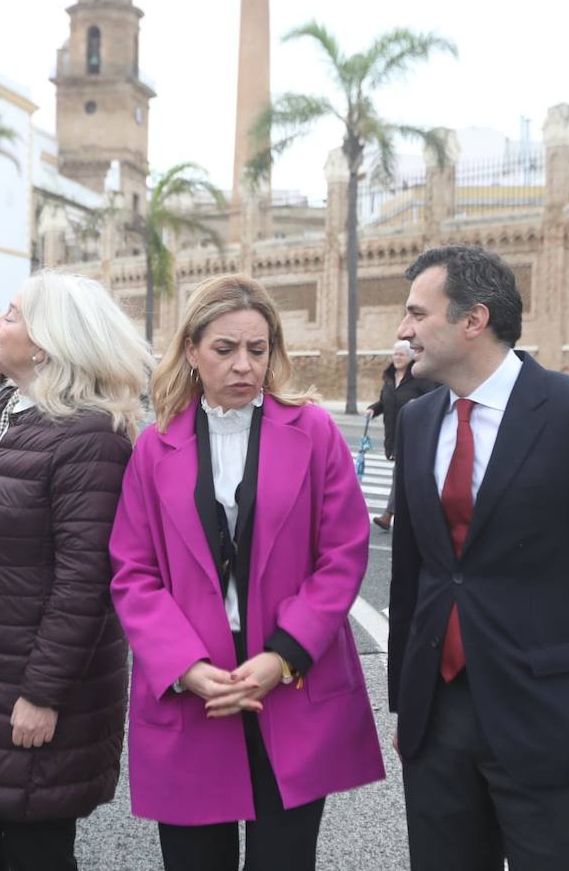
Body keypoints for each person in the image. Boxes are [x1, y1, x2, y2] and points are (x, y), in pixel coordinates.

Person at [387, 245, 569, 870]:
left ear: (473, 320)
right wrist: (406, 703)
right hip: (439, 718)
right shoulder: (416, 420)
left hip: (555, 717)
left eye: (417, 312)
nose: (403, 329)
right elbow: (413, 572)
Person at [109, 274, 384, 871]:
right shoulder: (154, 449)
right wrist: (185, 666)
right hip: (194, 690)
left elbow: (343, 554)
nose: (244, 365)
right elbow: (133, 572)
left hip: (288, 681)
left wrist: (282, 655)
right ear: (191, 352)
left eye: (256, 350)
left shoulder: (314, 433)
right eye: (225, 349)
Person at [0, 271, 150, 871]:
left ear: (46, 342)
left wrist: (43, 695)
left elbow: (85, 580)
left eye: (12, 315)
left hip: (35, 686)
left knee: (32, 850)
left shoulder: (91, 436)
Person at [367, 339, 437, 531]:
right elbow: (384, 401)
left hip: (416, 436)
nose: (397, 357)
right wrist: (374, 408)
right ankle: (419, 515)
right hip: (394, 436)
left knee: (399, 473)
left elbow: (434, 399)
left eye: (402, 354)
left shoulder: (420, 378)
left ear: (411, 357)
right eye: (395, 354)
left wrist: (419, 403)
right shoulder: (389, 378)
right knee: (407, 476)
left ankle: (388, 515)